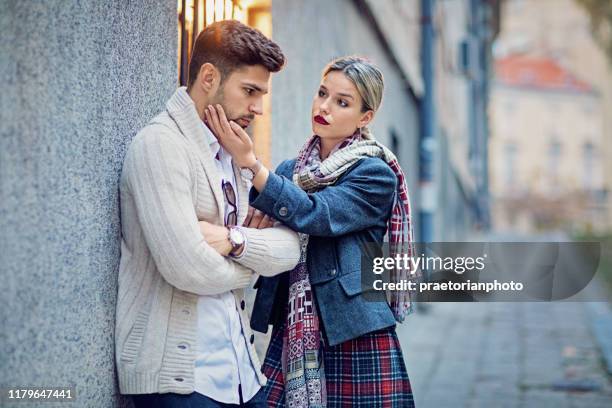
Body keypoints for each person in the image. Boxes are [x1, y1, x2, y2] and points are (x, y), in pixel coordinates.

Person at [203, 56, 418, 407]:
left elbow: (318, 214)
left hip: (352, 329)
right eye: (322, 93)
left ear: (365, 118)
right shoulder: (291, 170)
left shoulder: (376, 174)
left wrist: (252, 164)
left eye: (342, 102)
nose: (324, 107)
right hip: (294, 324)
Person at [116, 20, 301, 408]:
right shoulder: (160, 146)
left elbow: (290, 247)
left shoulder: (231, 152)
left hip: (239, 374)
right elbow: (188, 268)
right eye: (249, 91)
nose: (259, 108)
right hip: (180, 382)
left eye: (262, 94)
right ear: (209, 77)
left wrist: (231, 241)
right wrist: (253, 258)